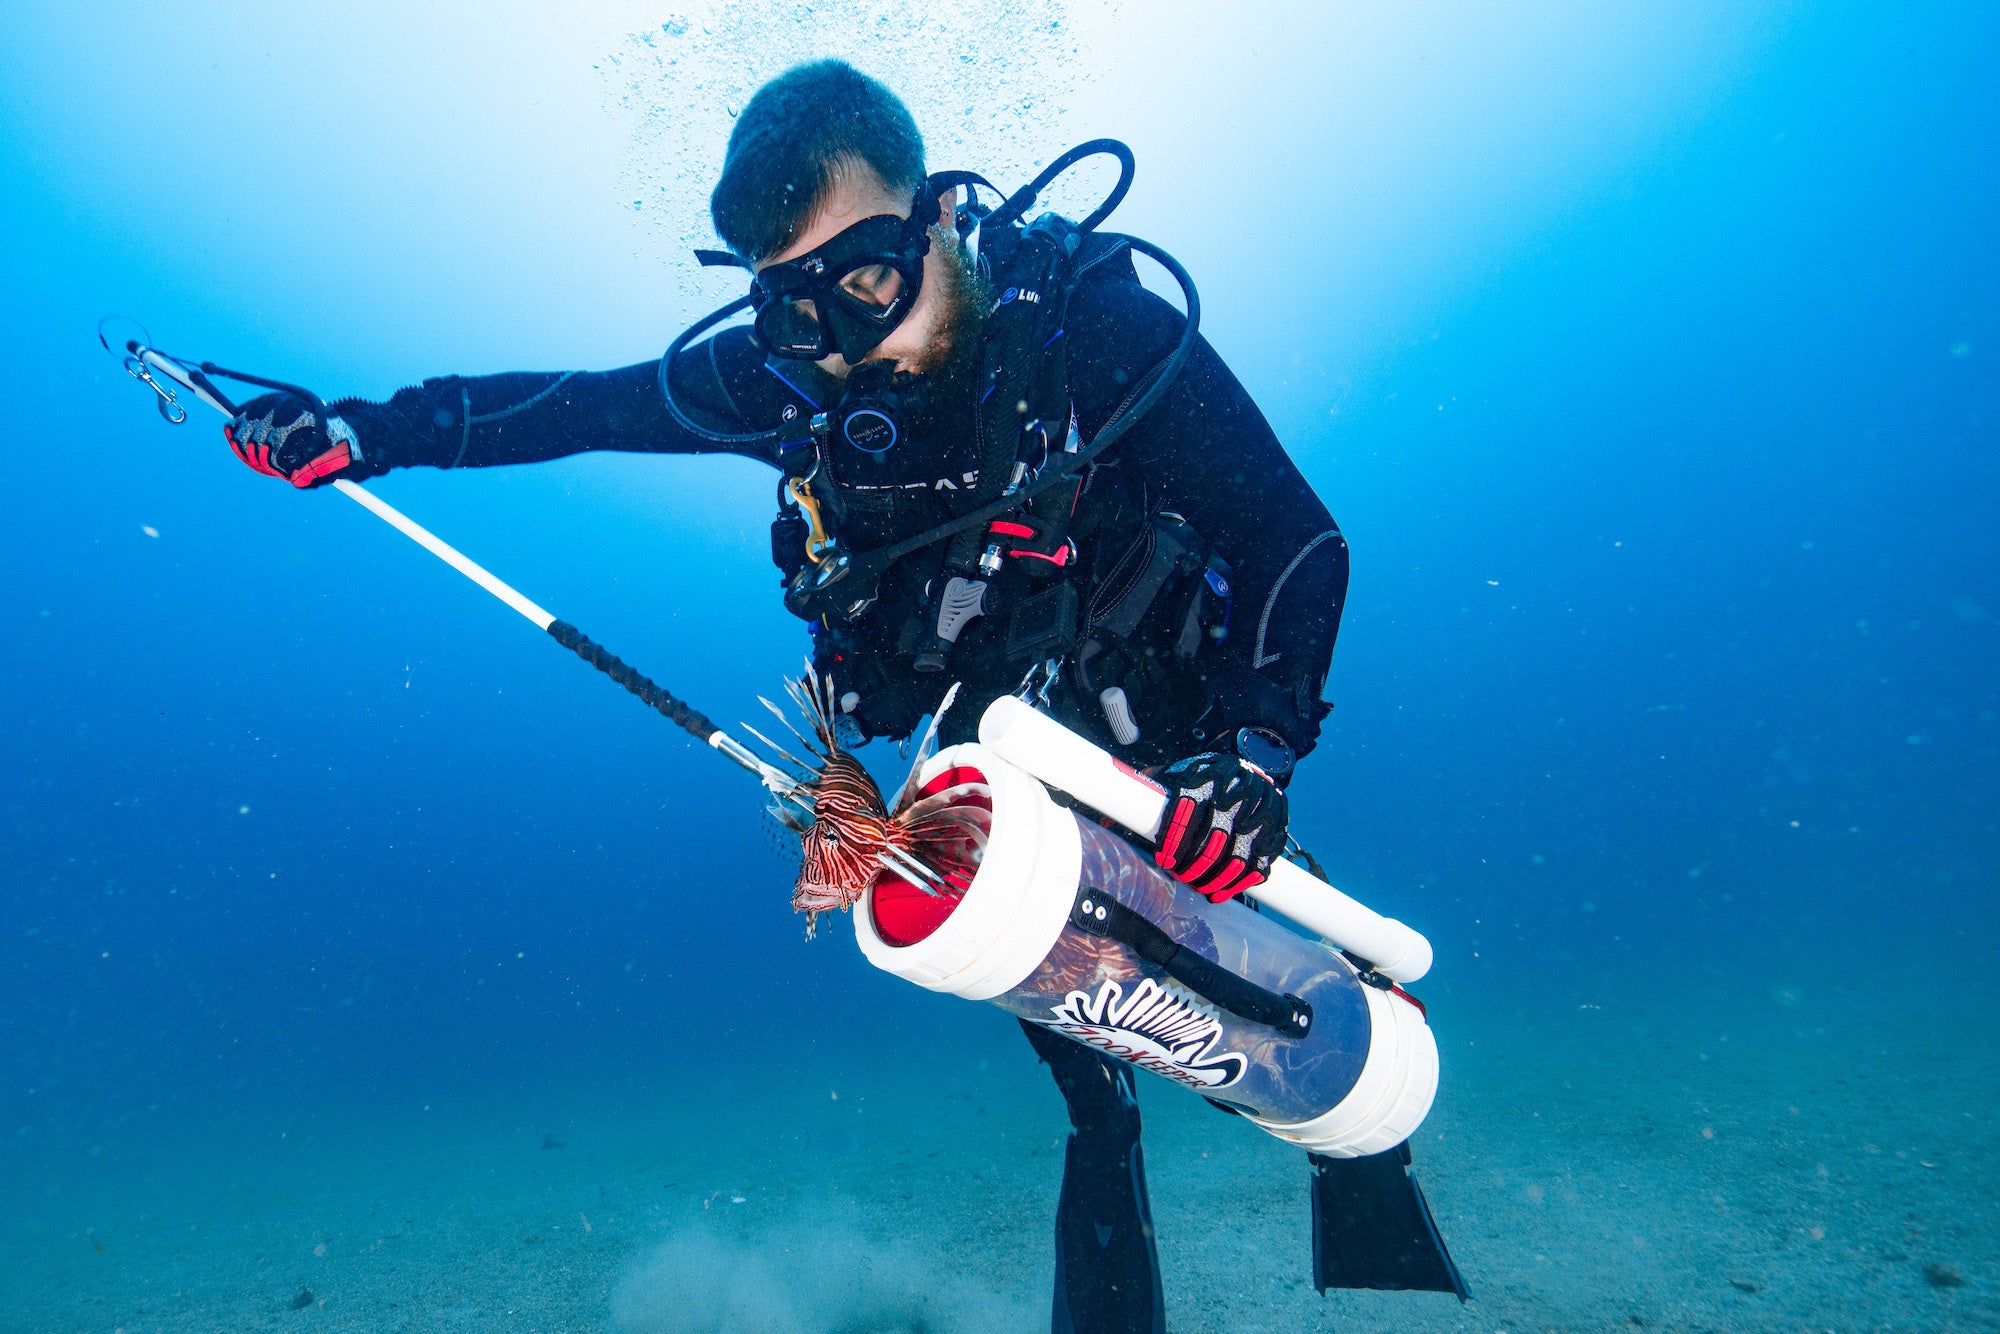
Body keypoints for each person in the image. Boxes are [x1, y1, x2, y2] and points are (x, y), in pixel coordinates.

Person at [223, 60, 1350, 1334]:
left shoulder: (1092, 334)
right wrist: (366, 431)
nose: (841, 343)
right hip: (996, 773)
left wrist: (1254, 757)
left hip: (1174, 737)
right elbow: (576, 405)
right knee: (1080, 1039)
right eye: (791, 311)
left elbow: (1294, 539)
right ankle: (1102, 1134)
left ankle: (1346, 1119)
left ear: (929, 220)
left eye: (867, 279)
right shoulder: (796, 388)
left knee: (1269, 995)